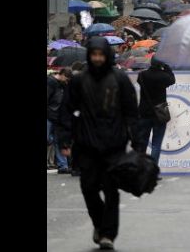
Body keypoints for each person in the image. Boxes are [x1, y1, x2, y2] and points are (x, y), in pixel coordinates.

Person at [57, 37, 143, 250]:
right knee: (88, 188)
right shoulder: (79, 81)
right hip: (86, 144)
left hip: (114, 144)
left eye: (101, 55)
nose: (97, 58)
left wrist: (137, 142)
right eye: (94, 54)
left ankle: (108, 234)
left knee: (111, 190)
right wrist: (65, 138)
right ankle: (99, 223)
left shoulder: (120, 79)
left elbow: (131, 112)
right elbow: (66, 110)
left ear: (107, 55)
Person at [135, 58, 176, 172]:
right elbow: (172, 80)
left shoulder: (142, 75)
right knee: (156, 144)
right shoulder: (163, 76)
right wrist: (167, 67)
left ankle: (140, 169)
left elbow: (139, 81)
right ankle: (152, 171)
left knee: (142, 143)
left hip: (144, 112)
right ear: (161, 64)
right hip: (160, 113)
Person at [47, 68, 73, 173]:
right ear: (61, 74)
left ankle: (63, 166)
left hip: (57, 116)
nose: (66, 81)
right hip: (50, 115)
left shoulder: (62, 84)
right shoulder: (51, 83)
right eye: (66, 78)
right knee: (50, 139)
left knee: (58, 141)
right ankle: (63, 165)